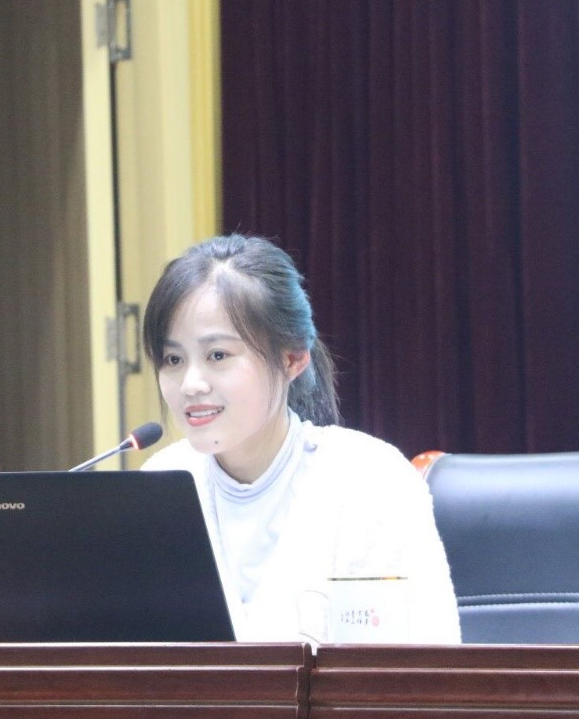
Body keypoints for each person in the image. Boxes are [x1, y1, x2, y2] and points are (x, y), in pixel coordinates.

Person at [140, 234, 460, 644]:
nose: (191, 384)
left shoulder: (370, 479)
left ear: (292, 359)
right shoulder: (161, 481)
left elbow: (421, 662)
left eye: (218, 355)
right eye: (173, 359)